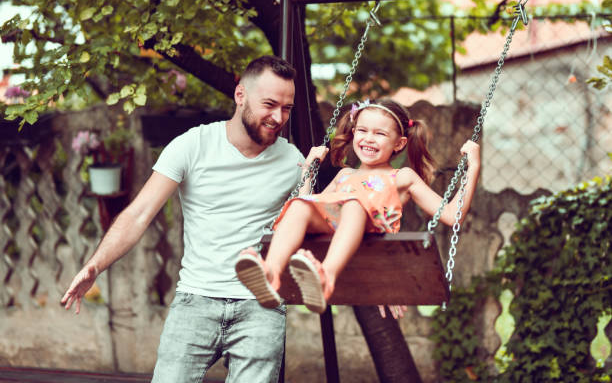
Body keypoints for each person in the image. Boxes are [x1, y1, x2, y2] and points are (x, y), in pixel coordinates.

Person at [60, 55, 325, 382]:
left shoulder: (292, 160)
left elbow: (302, 222)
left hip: (261, 304)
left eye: (287, 108)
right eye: (269, 104)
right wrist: (95, 265)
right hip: (197, 299)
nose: (277, 117)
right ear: (240, 95)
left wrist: (309, 178)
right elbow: (140, 214)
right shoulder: (193, 146)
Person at [235, 98, 481, 319]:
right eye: (362, 130)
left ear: (399, 143)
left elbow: (451, 215)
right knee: (300, 205)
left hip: (370, 234)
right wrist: (307, 172)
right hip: (335, 231)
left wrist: (474, 167)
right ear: (353, 133)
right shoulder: (345, 174)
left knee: (353, 204)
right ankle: (271, 273)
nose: (368, 138)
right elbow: (313, 209)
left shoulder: (402, 177)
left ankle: (326, 277)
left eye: (380, 134)